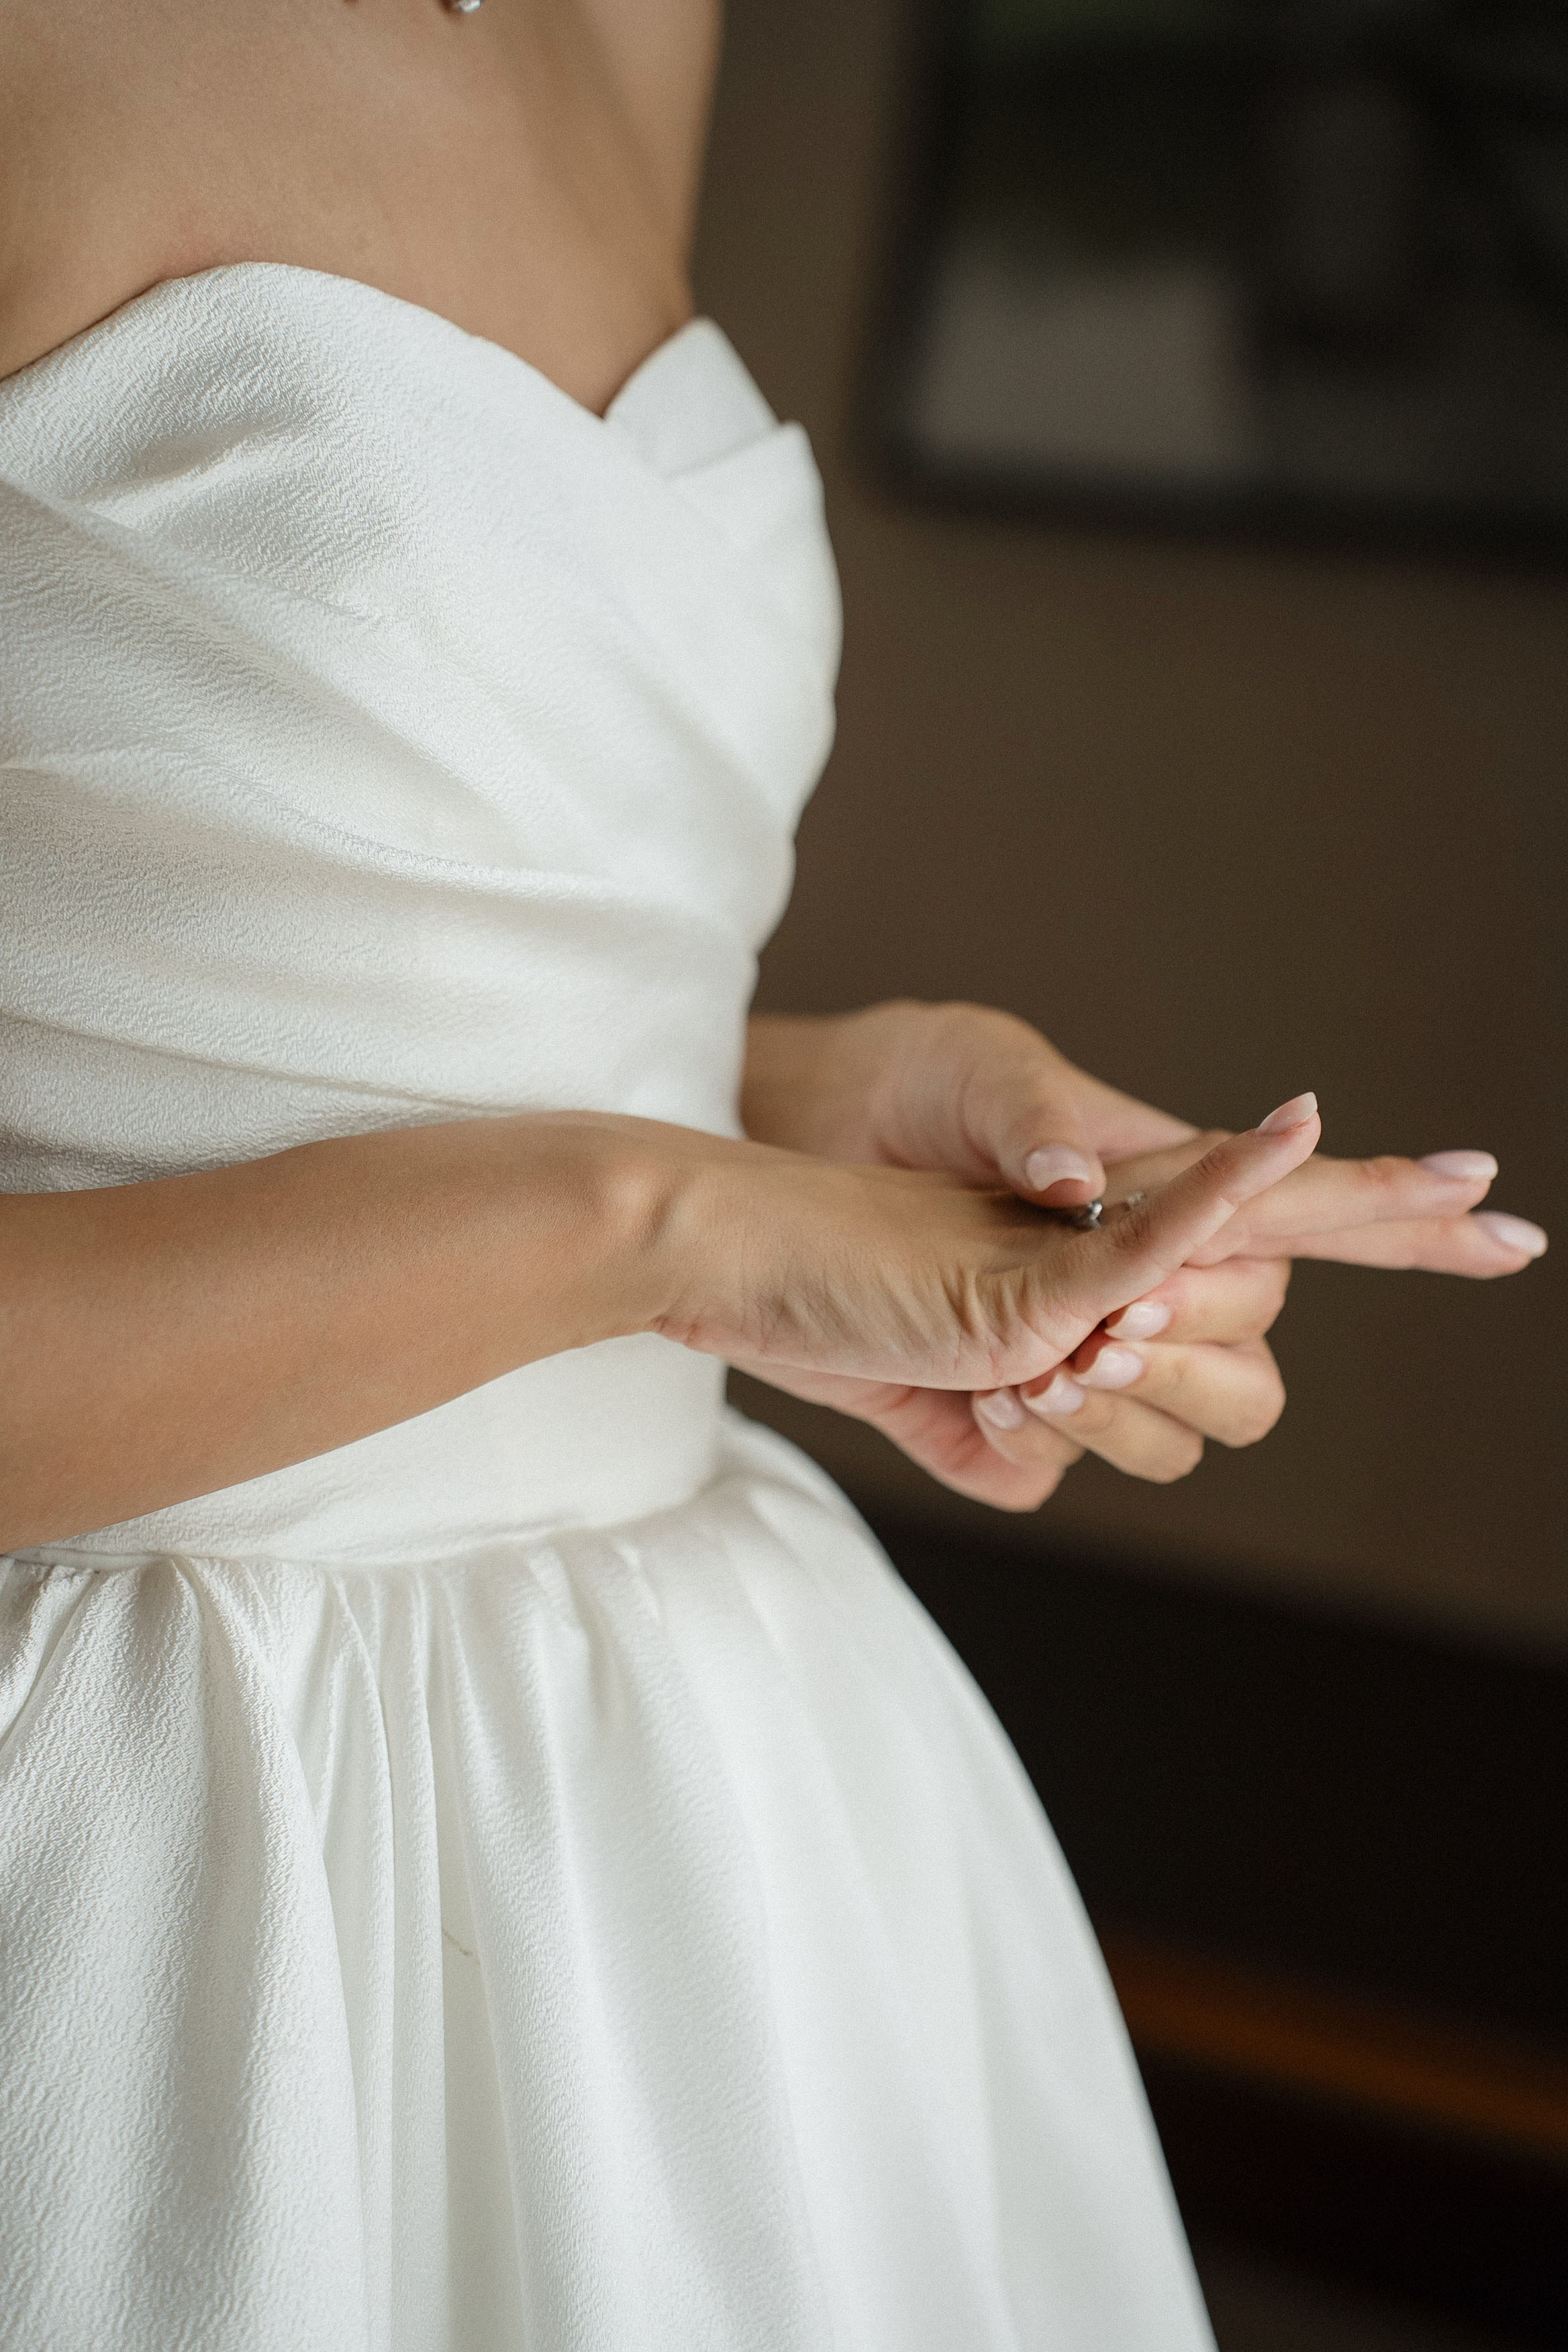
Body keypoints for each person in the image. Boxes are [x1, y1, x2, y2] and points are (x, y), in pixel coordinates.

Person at [0, 5, 1545, 2347]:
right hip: (131, 1820)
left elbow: (250, 966)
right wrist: (680, 1225)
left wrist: (819, 1097)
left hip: (685, 1799)